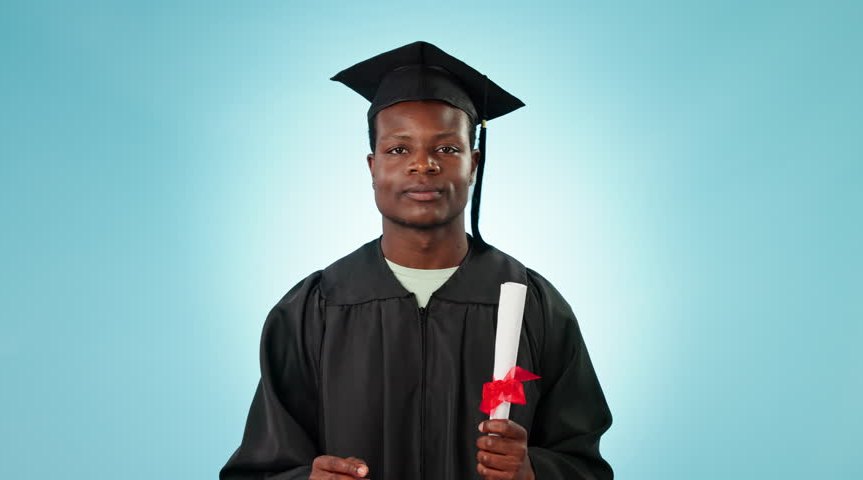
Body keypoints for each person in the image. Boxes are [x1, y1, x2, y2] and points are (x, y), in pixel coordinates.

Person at [219, 41, 613, 480]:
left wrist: (534, 471)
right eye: (398, 150)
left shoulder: (533, 305)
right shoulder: (315, 308)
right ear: (372, 167)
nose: (422, 166)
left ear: (474, 164)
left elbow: (586, 465)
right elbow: (259, 470)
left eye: (446, 150)